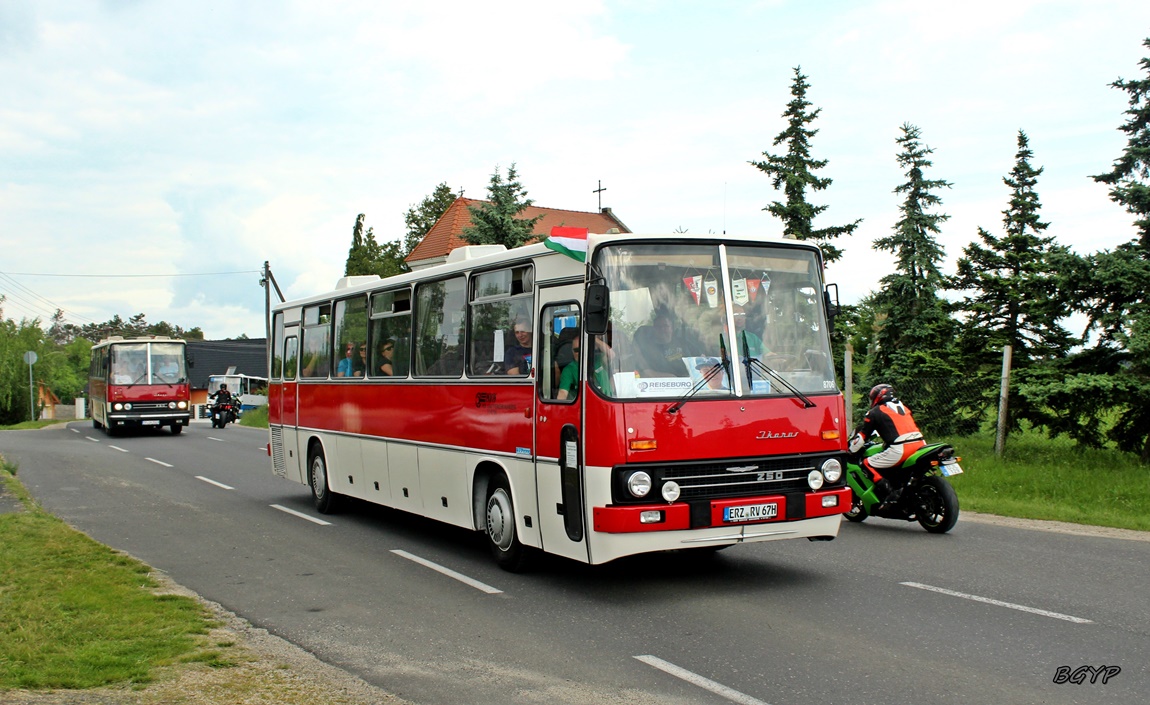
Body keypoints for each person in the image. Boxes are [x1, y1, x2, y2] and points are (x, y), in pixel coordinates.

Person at [848, 383, 926, 507]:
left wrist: (850, 450)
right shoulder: (904, 408)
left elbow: (862, 436)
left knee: (867, 463)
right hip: (920, 445)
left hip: (901, 449)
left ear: (878, 396)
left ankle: (889, 492)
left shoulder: (874, 412)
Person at [636, 307, 695, 376]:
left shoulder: (684, 343)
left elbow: (699, 359)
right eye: (658, 327)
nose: (662, 329)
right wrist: (670, 378)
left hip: (693, 383)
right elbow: (647, 372)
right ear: (654, 329)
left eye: (665, 326)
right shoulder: (648, 351)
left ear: (671, 328)